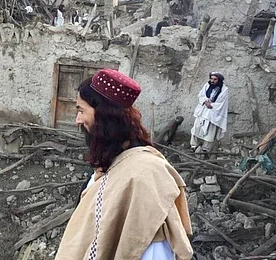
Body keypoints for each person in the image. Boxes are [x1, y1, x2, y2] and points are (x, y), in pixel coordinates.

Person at [55, 69, 193, 260]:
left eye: (81, 110)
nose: (77, 120)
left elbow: (151, 249)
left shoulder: (143, 176)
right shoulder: (112, 162)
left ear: (104, 116)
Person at [190, 71, 229, 154]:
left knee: (210, 132)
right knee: (196, 128)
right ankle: (194, 146)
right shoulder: (207, 85)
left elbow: (221, 103)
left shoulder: (224, 90)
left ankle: (205, 149)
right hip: (203, 111)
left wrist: (211, 105)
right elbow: (201, 95)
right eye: (211, 79)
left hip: (213, 113)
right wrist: (205, 101)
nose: (212, 81)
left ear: (219, 80)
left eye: (215, 79)